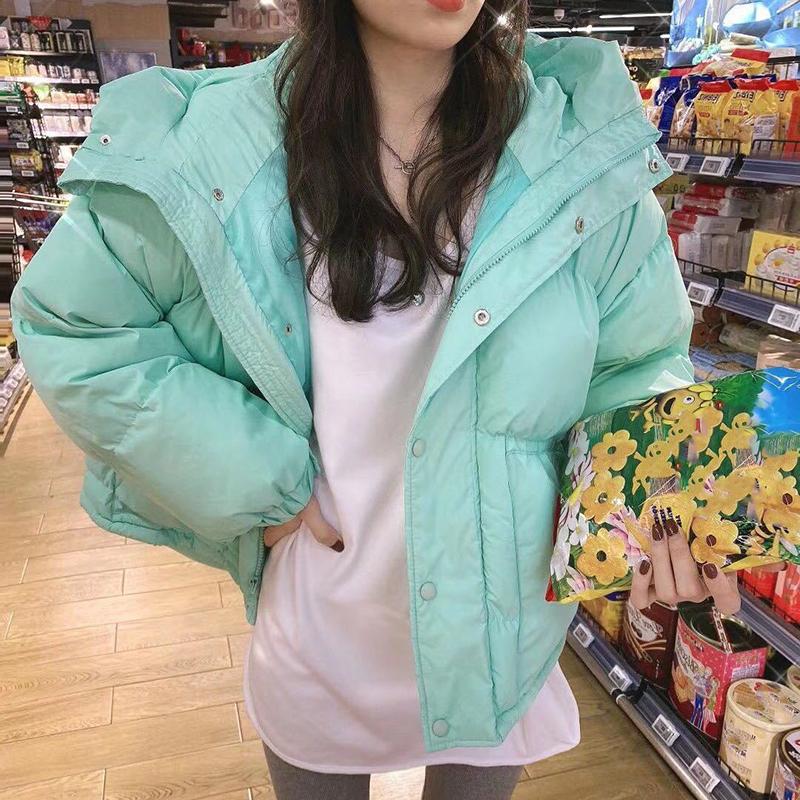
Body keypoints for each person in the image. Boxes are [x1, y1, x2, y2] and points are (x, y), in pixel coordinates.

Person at [9, 2, 783, 799]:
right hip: (319, 640)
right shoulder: (215, 148)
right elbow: (75, 325)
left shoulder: (577, 146)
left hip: (499, 644)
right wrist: (255, 474)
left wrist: (666, 506)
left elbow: (634, 364)